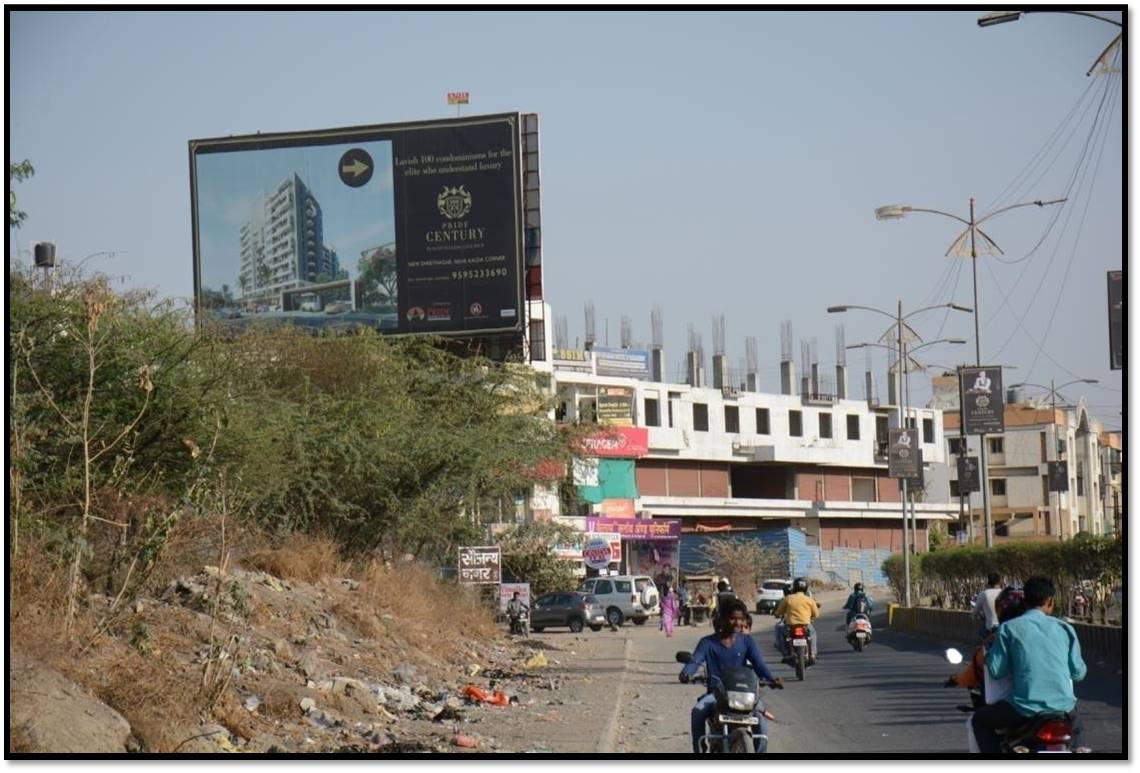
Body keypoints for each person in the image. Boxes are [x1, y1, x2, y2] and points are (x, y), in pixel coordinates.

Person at [971, 576, 1088, 754]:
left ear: (1024, 601)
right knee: (1077, 730)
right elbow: (1078, 673)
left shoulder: (1008, 628)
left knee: (979, 720)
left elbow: (996, 671)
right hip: (1063, 708)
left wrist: (988, 654)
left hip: (1023, 709)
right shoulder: (1066, 629)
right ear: (1050, 601)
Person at [679, 599, 782, 753]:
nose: (737, 623)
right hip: (717, 694)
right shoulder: (707, 643)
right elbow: (695, 660)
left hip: (743, 695)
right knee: (698, 712)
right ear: (722, 619)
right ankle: (700, 749)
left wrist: (771, 680)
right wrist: (687, 673)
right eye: (732, 618)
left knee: (760, 721)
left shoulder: (747, 641)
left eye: (741, 619)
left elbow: (759, 665)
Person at [774, 577, 820, 663]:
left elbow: (779, 611)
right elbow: (816, 614)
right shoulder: (810, 600)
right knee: (813, 634)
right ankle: (813, 654)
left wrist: (777, 614)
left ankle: (786, 654)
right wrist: (811, 618)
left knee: (780, 632)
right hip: (805, 626)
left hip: (791, 626)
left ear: (794, 587)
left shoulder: (788, 598)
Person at [972, 573, 1004, 639]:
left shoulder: (984, 594)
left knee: (981, 633)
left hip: (990, 627)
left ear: (988, 582)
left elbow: (975, 612)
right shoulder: (1004, 593)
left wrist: (974, 616)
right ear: (1000, 581)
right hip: (1003, 626)